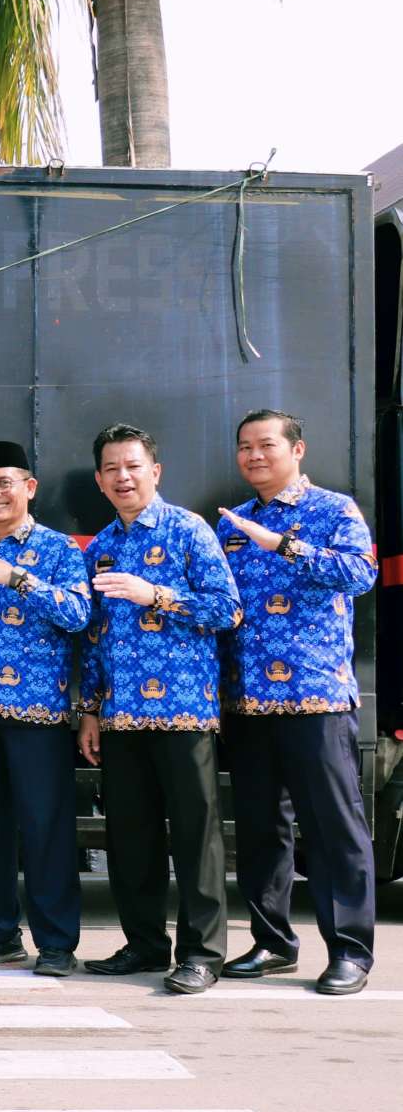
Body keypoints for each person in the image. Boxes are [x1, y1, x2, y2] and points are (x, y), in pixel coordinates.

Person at [216, 409, 377, 996]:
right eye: (245, 447)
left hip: (316, 698)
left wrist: (282, 545)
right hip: (250, 702)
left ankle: (351, 951)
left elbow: (360, 574)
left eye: (266, 445)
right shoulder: (232, 524)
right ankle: (272, 942)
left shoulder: (334, 510)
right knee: (261, 830)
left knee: (333, 829)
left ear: (297, 449)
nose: (254, 456)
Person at [77, 423, 241, 995]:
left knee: (195, 837)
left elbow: (227, 610)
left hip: (183, 713)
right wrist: (91, 710)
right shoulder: (99, 547)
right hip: (121, 718)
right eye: (112, 469)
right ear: (99, 481)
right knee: (130, 836)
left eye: (133, 466)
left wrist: (157, 596)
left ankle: (202, 953)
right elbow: (94, 637)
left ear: (156, 471)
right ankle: (145, 944)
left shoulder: (189, 530)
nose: (124, 477)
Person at [0, 440, 90, 977]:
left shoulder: (59, 550)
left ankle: (56, 944)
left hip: (37, 716)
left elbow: (78, 614)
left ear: (29, 487)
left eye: (4, 483)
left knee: (45, 830)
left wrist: (19, 579)